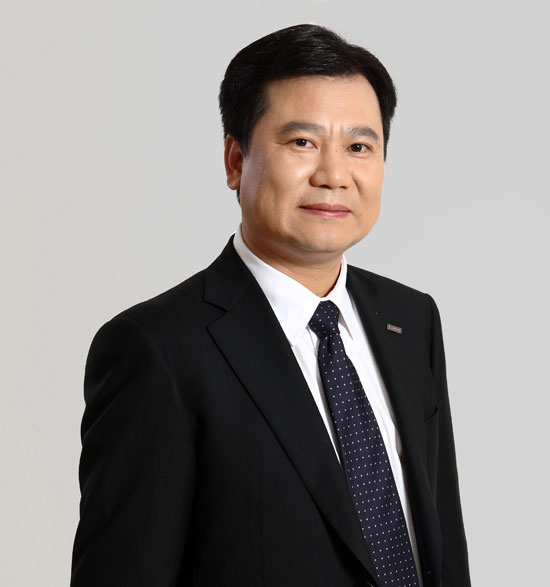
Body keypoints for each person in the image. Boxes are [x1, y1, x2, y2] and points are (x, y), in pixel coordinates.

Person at [71, 24, 470, 587]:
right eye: (302, 142)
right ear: (235, 160)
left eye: (359, 147)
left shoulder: (411, 319)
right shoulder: (159, 350)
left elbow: (443, 550)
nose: (334, 176)